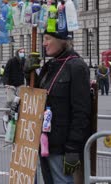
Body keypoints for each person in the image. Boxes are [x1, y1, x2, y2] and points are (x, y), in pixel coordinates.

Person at [27, 30, 91, 183]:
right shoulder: (50, 65)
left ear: (62, 40)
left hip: (63, 146)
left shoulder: (76, 66)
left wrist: (73, 148)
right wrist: (29, 73)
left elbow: (81, 111)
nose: (44, 43)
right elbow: (40, 96)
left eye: (48, 39)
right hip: (46, 141)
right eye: (43, 39)